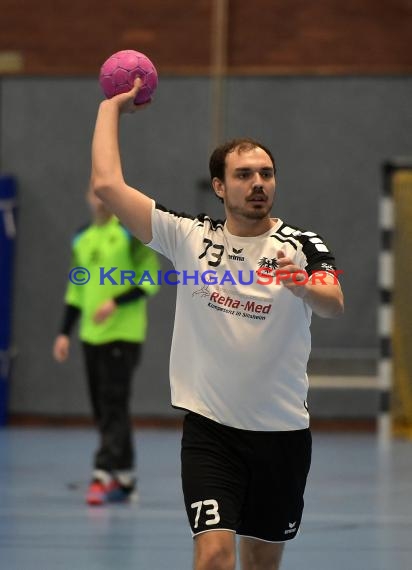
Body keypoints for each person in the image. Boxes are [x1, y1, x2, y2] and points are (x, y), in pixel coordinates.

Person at [89, 79, 344, 569]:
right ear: (221, 186)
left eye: (266, 174)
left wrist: (304, 287)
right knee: (213, 557)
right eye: (245, 175)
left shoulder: (302, 244)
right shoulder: (188, 237)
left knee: (261, 563)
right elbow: (106, 185)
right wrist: (110, 109)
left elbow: (333, 302)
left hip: (283, 435)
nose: (258, 184)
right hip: (212, 433)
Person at [53, 186, 160, 506]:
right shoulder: (81, 238)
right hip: (90, 336)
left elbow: (149, 281)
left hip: (123, 335)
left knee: (113, 402)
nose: (99, 200)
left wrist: (115, 301)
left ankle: (103, 473)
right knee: (103, 407)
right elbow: (76, 290)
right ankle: (124, 477)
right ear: (88, 197)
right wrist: (63, 333)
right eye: (94, 194)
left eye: (104, 195)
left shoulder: (129, 235)